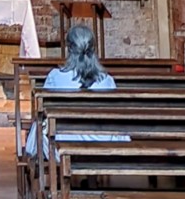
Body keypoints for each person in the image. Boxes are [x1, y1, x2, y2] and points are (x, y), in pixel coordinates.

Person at [25, 25, 121, 156]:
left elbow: (43, 110)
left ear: (69, 49)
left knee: (42, 125)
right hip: (102, 146)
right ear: (93, 49)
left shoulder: (55, 77)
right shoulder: (107, 81)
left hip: (61, 146)